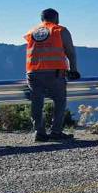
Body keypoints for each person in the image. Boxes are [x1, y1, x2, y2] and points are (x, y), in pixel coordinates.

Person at [25, 8, 80, 142]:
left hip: (33, 72)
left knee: (37, 103)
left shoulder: (32, 32)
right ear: (56, 18)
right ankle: (56, 132)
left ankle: (40, 133)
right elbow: (70, 52)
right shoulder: (60, 30)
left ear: (42, 19)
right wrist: (73, 69)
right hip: (54, 73)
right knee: (59, 101)